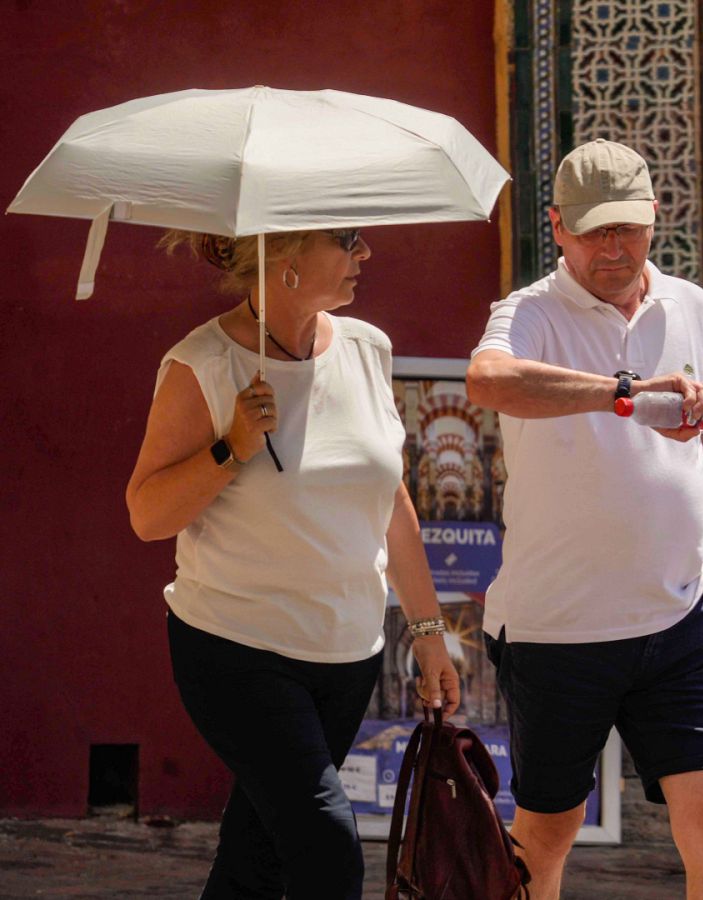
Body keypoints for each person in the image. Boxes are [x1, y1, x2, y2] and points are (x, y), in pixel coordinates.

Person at [127, 227, 460, 899]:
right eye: (348, 241)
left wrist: (429, 637)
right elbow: (147, 514)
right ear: (285, 259)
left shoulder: (368, 349)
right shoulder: (203, 364)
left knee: (259, 856)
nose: (366, 254)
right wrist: (231, 446)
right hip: (235, 649)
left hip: (346, 655)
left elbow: (389, 498)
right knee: (327, 848)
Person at [465, 139, 703, 900]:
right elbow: (487, 379)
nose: (613, 246)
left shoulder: (692, 306)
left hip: (680, 619)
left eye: (626, 227)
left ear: (655, 218)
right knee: (545, 837)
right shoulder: (528, 312)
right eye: (594, 230)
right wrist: (623, 392)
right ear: (557, 227)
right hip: (560, 630)